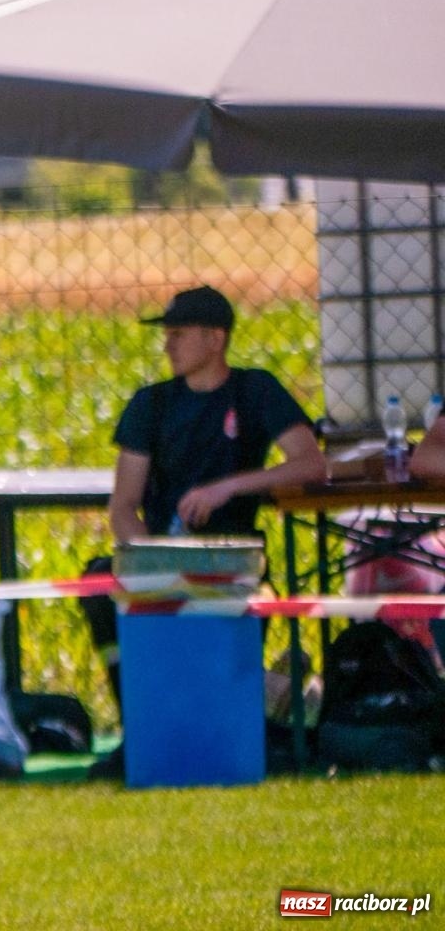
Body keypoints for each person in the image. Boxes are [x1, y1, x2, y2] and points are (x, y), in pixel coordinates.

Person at [78, 285, 326, 775]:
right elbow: (124, 506)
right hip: (160, 554)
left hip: (231, 561)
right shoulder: (150, 405)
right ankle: (139, 729)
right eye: (166, 334)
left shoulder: (255, 391)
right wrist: (153, 560)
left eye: (178, 334)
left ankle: (234, 729)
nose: (167, 345)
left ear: (216, 340)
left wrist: (229, 487)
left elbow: (311, 465)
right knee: (98, 582)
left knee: (217, 627)